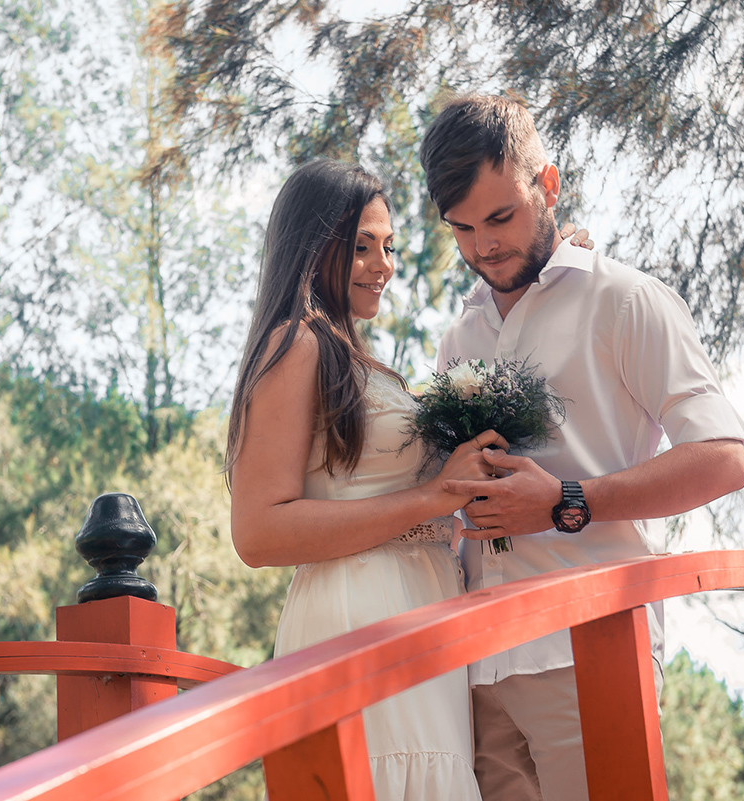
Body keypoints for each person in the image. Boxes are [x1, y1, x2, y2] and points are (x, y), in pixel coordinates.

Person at [419, 94, 744, 801]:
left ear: (550, 184)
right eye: (463, 228)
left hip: (588, 647)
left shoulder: (626, 301)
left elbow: (724, 455)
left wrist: (569, 500)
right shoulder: (459, 341)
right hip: (478, 667)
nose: (484, 246)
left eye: (501, 217)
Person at [224, 158, 505, 799]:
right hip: (357, 610)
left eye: (388, 247)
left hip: (420, 608)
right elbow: (259, 531)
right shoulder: (295, 344)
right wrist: (430, 497)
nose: (383, 265)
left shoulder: (354, 355)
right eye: (360, 246)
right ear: (311, 246)